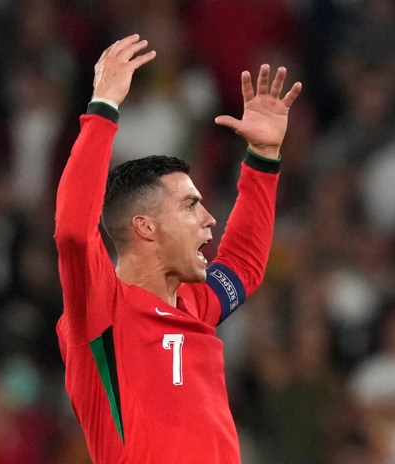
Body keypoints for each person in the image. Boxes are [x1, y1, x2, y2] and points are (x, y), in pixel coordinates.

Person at [54, 34, 302, 463]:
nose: (209, 219)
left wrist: (263, 157)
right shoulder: (101, 311)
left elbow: (243, 263)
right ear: (146, 227)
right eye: (191, 206)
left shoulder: (194, 305)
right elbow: (75, 232)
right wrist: (103, 108)